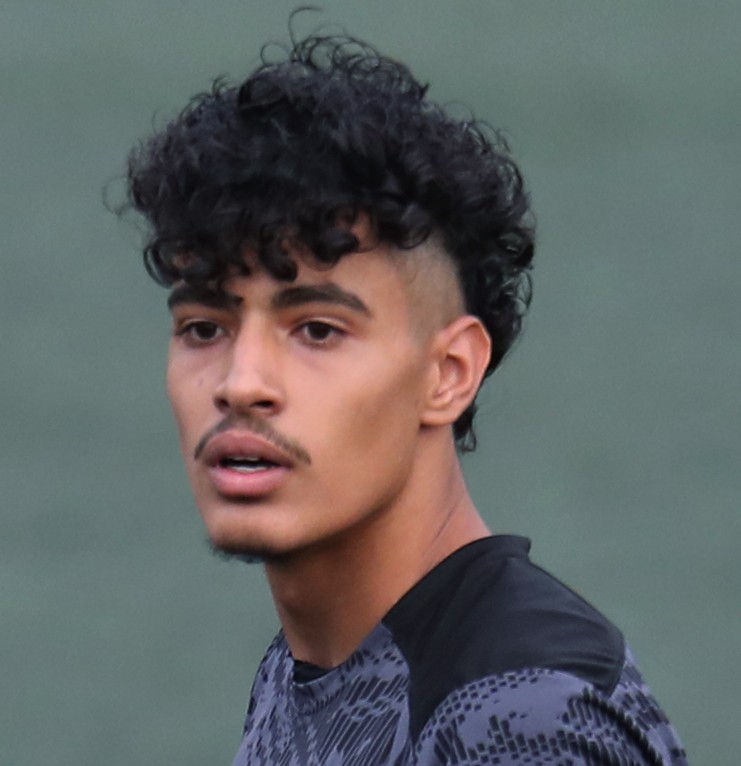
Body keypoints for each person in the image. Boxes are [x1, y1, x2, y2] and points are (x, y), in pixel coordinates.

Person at [124, 30, 688, 766]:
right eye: (204, 328)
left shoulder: (519, 721)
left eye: (317, 330)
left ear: (447, 373)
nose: (241, 383)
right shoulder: (314, 668)